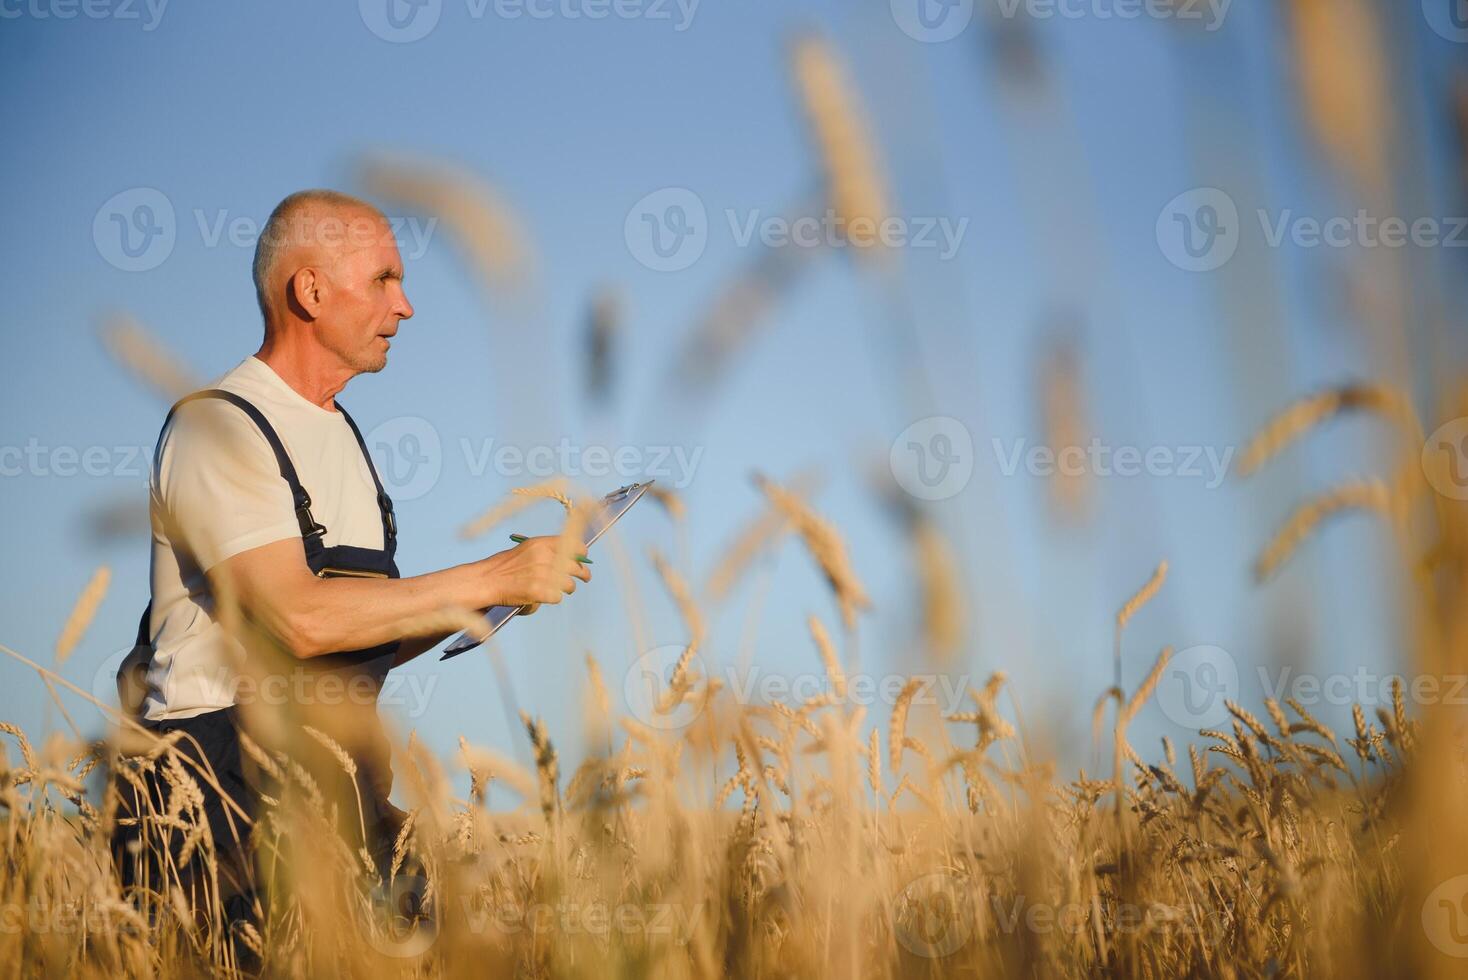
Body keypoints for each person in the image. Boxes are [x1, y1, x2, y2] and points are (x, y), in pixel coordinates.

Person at [109, 188, 591, 949]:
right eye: (384, 281)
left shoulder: (344, 436)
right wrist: (493, 576)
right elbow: (299, 620)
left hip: (341, 787)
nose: (405, 306)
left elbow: (355, 641)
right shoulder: (217, 429)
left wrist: (476, 610)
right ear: (309, 291)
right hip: (220, 809)